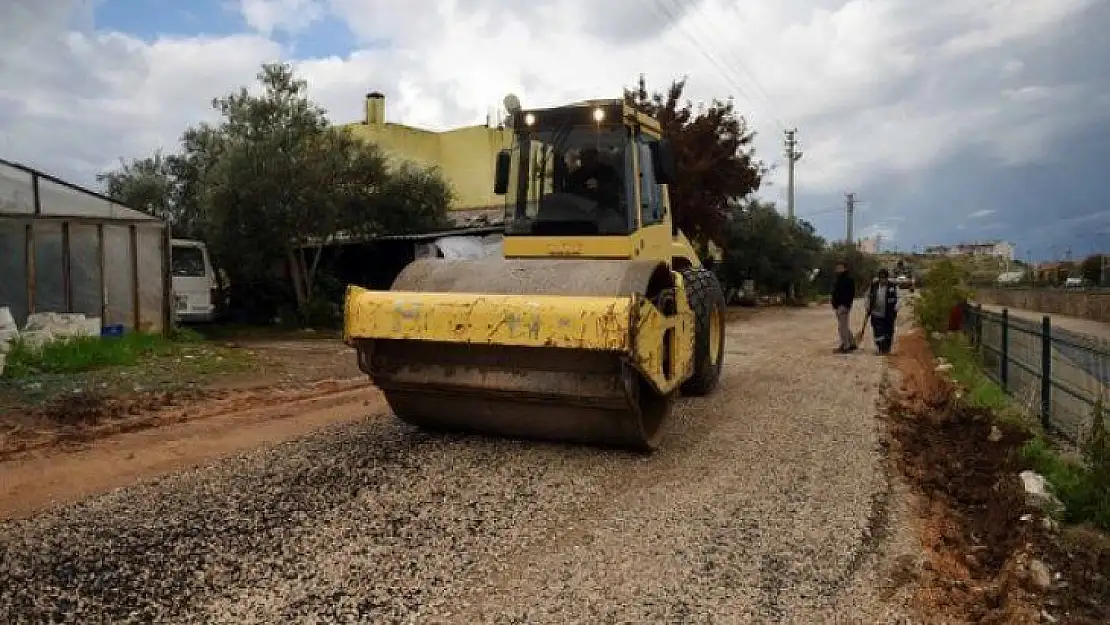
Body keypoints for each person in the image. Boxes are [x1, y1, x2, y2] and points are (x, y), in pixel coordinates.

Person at [865, 268, 899, 354]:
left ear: (887, 278)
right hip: (876, 313)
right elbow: (867, 296)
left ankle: (886, 348)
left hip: (889, 313)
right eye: (881, 277)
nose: (882, 280)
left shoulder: (893, 286)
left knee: (888, 331)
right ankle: (880, 347)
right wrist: (867, 305)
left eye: (884, 277)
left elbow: (899, 298)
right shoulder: (874, 286)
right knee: (877, 331)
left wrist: (896, 307)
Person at [831, 261, 857, 353]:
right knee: (844, 326)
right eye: (837, 267)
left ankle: (846, 346)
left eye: (840, 267)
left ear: (845, 268)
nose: (838, 269)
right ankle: (852, 343)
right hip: (838, 306)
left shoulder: (848, 280)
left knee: (842, 327)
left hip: (843, 306)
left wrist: (845, 305)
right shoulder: (838, 279)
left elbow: (850, 294)